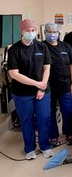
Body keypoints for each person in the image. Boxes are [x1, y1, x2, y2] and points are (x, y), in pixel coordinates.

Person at [7, 19, 54, 159]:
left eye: (33, 30)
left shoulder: (42, 47)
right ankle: (29, 148)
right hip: (22, 93)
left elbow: (47, 68)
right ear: (22, 32)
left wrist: (42, 86)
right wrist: (36, 84)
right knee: (26, 120)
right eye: (28, 30)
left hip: (42, 90)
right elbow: (14, 74)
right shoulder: (14, 50)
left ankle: (45, 146)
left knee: (44, 117)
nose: (31, 33)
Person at [43, 22, 72, 146]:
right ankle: (53, 136)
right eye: (49, 32)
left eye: (55, 32)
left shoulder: (66, 46)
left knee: (68, 111)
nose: (52, 34)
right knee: (49, 113)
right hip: (47, 87)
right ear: (45, 33)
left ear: (59, 33)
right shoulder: (41, 47)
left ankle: (69, 133)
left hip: (65, 85)